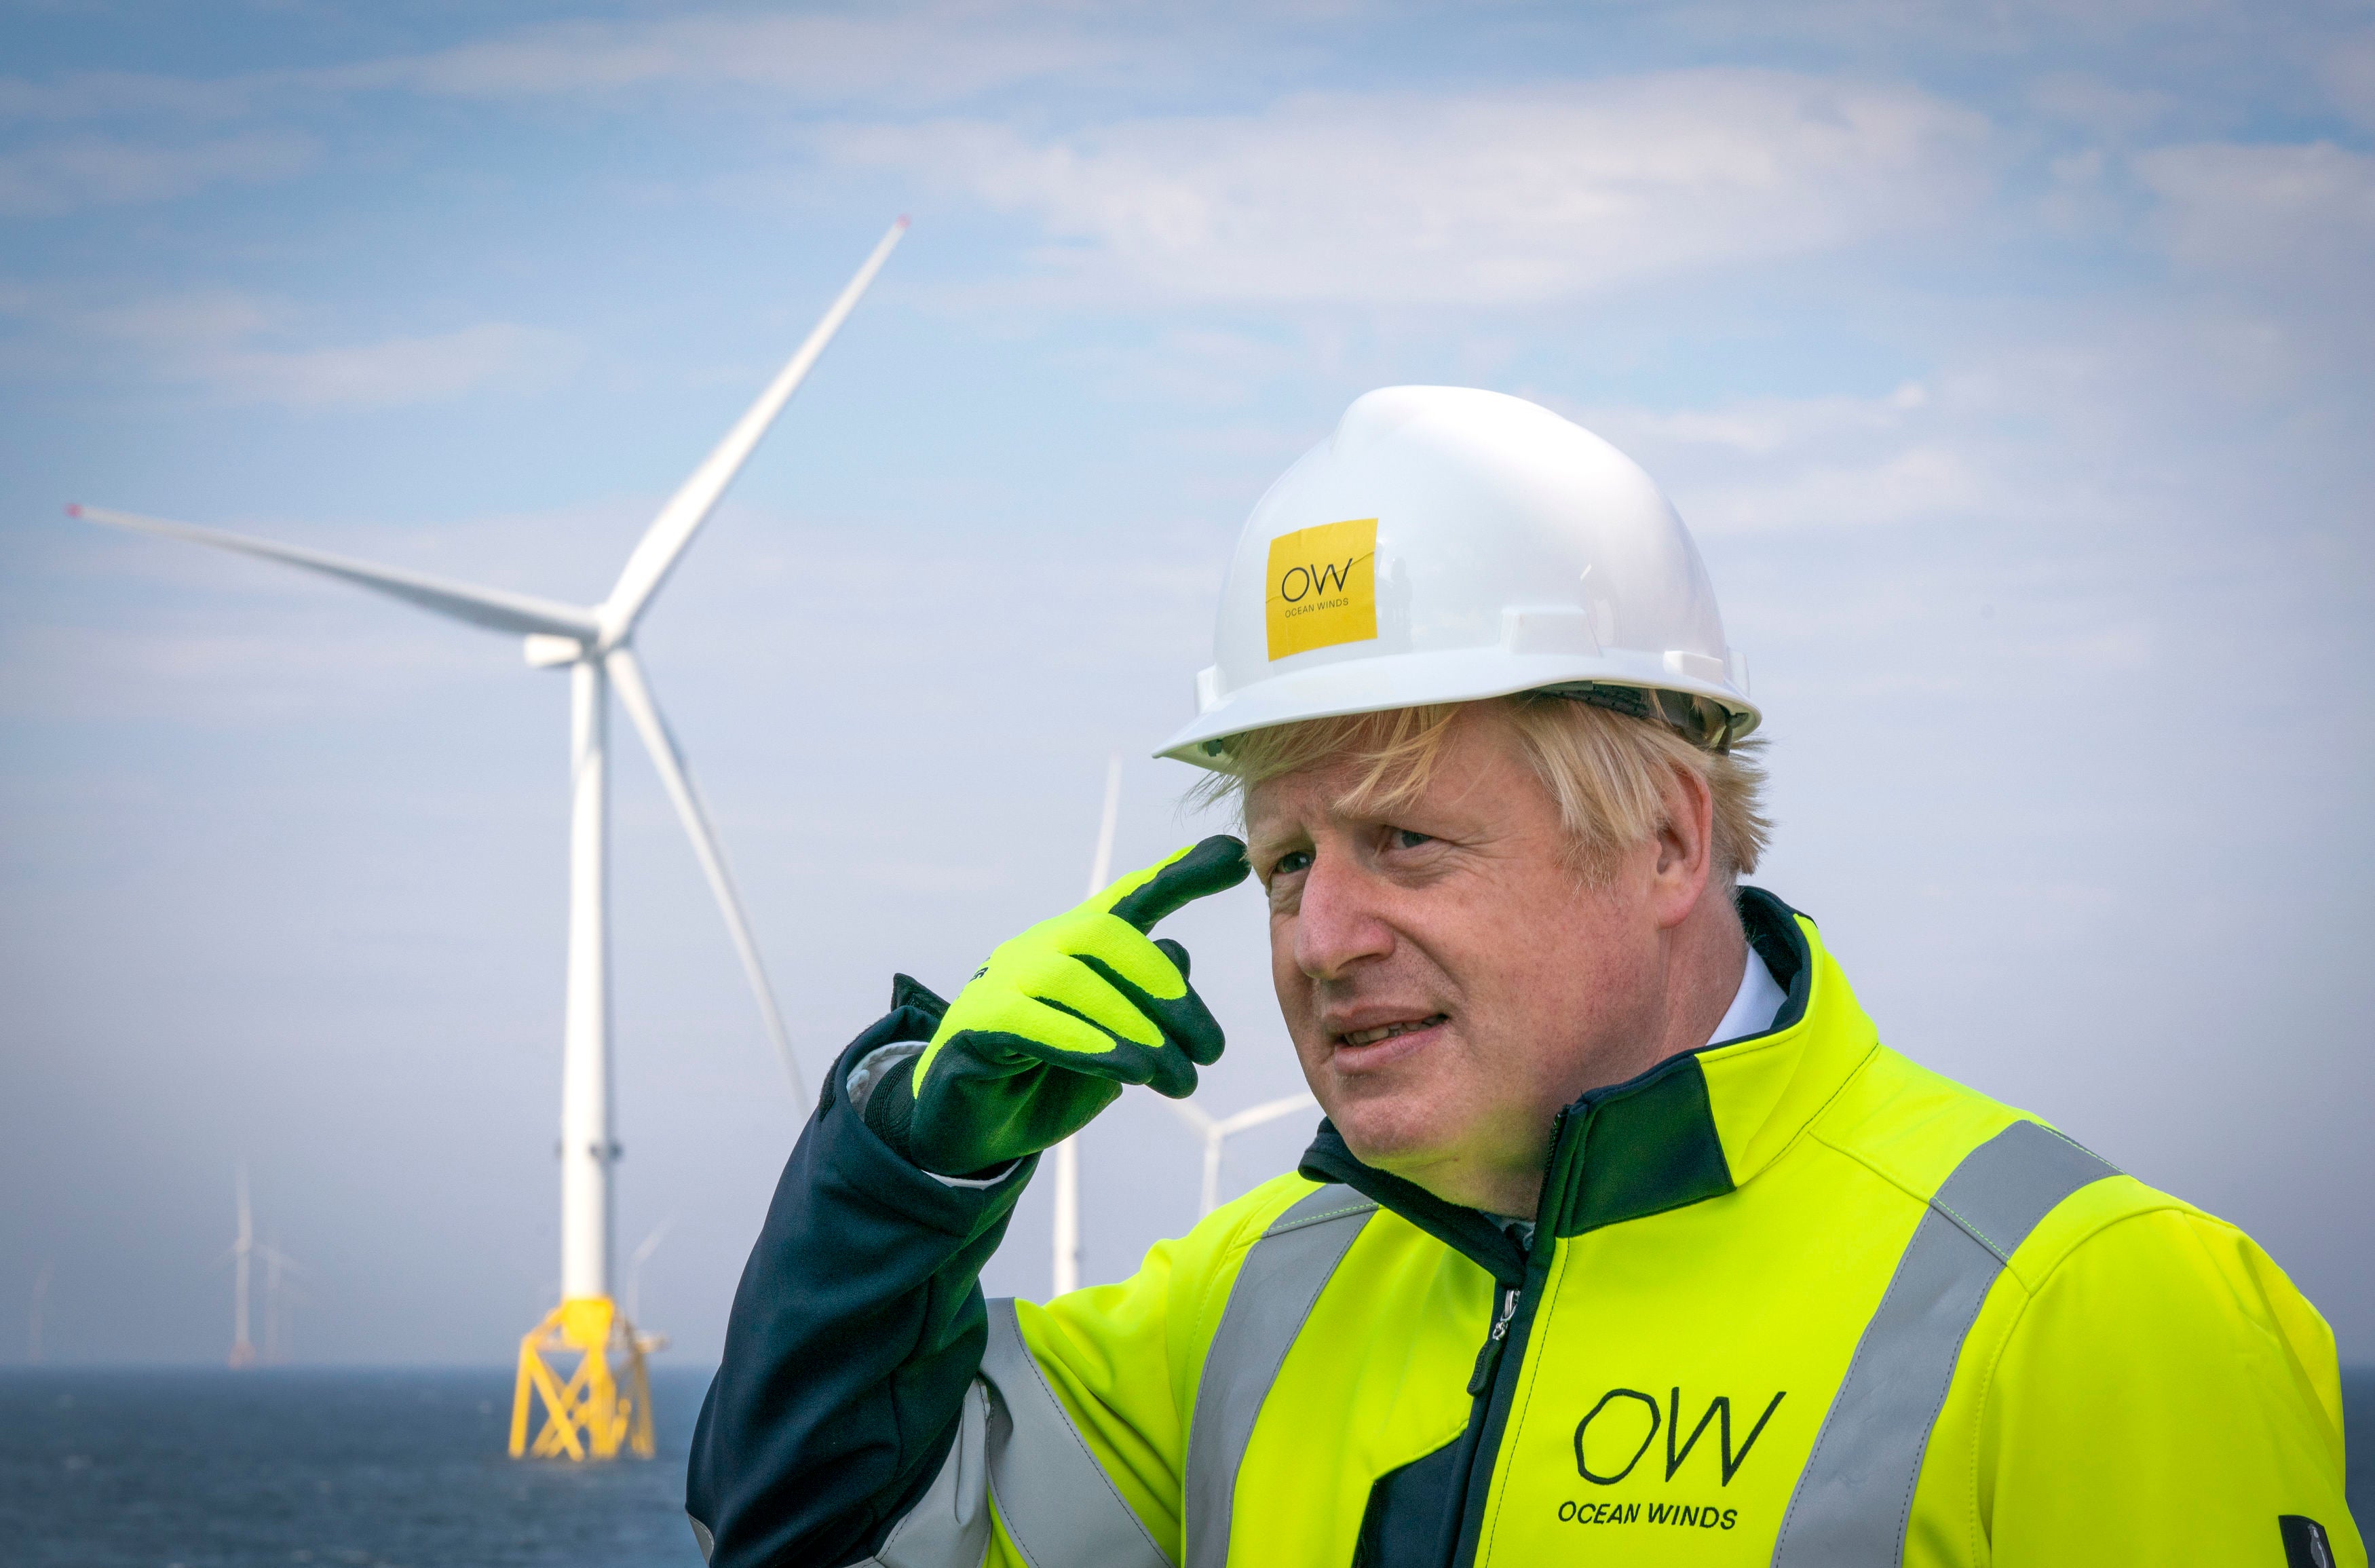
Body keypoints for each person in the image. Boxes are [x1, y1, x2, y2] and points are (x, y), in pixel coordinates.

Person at [685, 387, 2359, 1567]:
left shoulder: (2082, 1302)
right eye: (1282, 862)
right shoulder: (1254, 1300)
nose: (1318, 937)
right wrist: (906, 1167)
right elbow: (809, 1538)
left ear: (1665, 846)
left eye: (1405, 843)